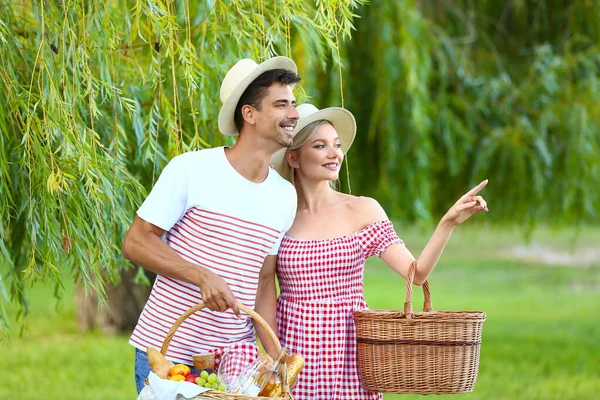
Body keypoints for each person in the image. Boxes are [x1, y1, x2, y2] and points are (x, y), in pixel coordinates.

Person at [269, 104, 489, 400]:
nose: (334, 154)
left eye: (337, 145)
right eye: (320, 146)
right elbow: (263, 289)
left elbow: (417, 273)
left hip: (346, 348)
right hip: (293, 346)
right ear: (293, 157)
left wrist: (446, 224)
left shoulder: (362, 209)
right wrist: (276, 355)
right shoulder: (278, 216)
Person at [122, 56, 302, 394]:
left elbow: (264, 281)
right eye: (281, 105)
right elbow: (136, 241)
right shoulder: (191, 169)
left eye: (293, 103)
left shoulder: (284, 195)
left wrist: (277, 357)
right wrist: (201, 275)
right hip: (168, 356)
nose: (294, 114)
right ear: (249, 114)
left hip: (236, 363)